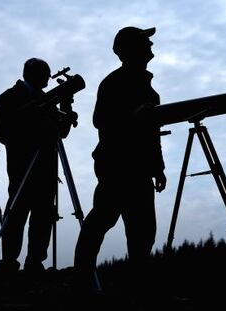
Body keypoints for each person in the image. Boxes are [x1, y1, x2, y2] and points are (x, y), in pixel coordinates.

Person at [74, 26, 167, 290]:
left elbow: (153, 134)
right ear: (130, 49)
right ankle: (81, 283)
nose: (150, 45)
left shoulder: (150, 91)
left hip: (141, 169)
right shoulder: (113, 82)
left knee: (143, 230)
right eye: (144, 42)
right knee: (102, 219)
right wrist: (132, 116)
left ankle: (139, 289)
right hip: (116, 165)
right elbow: (99, 121)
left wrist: (158, 168)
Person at [0, 58, 77, 273]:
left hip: (47, 166)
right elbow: (2, 132)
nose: (49, 77)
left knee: (44, 214)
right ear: (31, 73)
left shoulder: (47, 99)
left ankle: (35, 261)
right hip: (23, 165)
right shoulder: (10, 97)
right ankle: (9, 261)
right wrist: (31, 130)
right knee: (17, 212)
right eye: (45, 73)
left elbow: (62, 132)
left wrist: (66, 103)